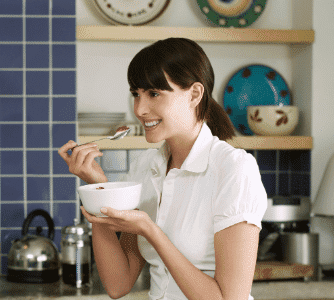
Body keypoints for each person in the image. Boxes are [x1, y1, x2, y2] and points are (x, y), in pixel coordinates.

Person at [58, 38, 267, 300]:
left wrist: (151, 230)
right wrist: (98, 188)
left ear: (194, 94)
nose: (140, 109)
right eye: (136, 94)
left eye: (154, 94)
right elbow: (118, 284)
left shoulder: (234, 169)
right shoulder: (145, 167)